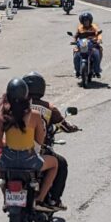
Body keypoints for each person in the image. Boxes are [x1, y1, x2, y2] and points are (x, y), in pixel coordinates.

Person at [0, 78, 59, 212]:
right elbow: (40, 141)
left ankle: (6, 196)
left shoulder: (2, 116)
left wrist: (10, 143)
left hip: (7, 162)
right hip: (30, 162)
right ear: (26, 96)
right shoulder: (35, 115)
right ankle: (40, 199)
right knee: (54, 163)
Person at [24, 72, 77, 211]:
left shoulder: (17, 105)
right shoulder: (49, 108)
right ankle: (53, 200)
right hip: (38, 150)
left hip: (16, 149)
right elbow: (64, 126)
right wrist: (73, 128)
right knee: (61, 163)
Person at [73, 11, 103, 78]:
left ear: (90, 20)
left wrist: (99, 40)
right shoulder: (80, 28)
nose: (86, 22)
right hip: (82, 45)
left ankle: (97, 70)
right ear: (82, 21)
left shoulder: (94, 27)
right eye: (84, 20)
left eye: (87, 20)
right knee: (76, 54)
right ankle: (77, 70)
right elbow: (75, 36)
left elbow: (98, 34)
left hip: (92, 44)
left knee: (97, 53)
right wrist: (74, 41)